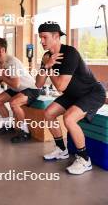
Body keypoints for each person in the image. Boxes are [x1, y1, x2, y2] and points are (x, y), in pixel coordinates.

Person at [36, 21, 106, 175]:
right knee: (48, 113)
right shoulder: (47, 56)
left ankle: (84, 159)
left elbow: (60, 86)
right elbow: (38, 83)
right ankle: (62, 149)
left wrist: (50, 68)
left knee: (69, 118)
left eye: (44, 37)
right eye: (40, 37)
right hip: (73, 94)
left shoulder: (70, 53)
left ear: (56, 37)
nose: (41, 41)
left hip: (92, 92)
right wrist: (45, 66)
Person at [0, 38, 40, 143]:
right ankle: (8, 126)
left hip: (30, 89)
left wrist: (3, 78)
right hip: (16, 89)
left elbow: (16, 83)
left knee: (14, 103)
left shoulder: (12, 62)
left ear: (2, 50)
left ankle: (25, 131)